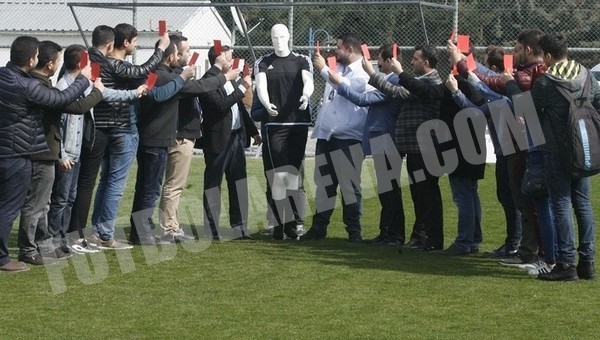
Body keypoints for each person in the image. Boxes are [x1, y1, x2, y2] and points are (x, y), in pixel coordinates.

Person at [68, 24, 182, 249]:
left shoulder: (99, 61)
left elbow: (140, 75)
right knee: (115, 184)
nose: (137, 44)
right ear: (125, 43)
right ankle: (105, 234)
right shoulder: (114, 64)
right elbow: (141, 73)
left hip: (106, 130)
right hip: (122, 129)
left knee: (105, 182)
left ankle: (98, 231)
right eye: (136, 41)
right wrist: (161, 50)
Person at [0, 36, 90, 272]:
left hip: (13, 149)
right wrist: (84, 79)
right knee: (15, 207)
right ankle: (12, 255)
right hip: (19, 152)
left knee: (25, 205)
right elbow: (61, 100)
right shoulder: (27, 85)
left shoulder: (4, 76)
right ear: (32, 60)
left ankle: (35, 247)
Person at [129, 40, 231, 245]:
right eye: (182, 52)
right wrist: (223, 74)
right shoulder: (168, 78)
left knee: (152, 186)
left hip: (159, 137)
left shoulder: (162, 76)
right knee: (158, 187)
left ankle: (149, 229)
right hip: (162, 137)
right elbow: (200, 87)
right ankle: (160, 229)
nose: (186, 55)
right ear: (170, 56)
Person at [47, 44, 146, 255]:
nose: (93, 66)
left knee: (70, 197)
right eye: (90, 63)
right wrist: (62, 154)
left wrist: (132, 93)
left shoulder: (82, 84)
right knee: (61, 199)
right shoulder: (65, 86)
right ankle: (54, 241)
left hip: (77, 151)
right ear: (81, 64)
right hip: (68, 154)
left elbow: (105, 94)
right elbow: (59, 125)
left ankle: (66, 239)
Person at [17, 41, 104, 265]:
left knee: (43, 204)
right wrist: (95, 90)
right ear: (49, 64)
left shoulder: (40, 84)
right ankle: (29, 249)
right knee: (37, 204)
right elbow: (72, 105)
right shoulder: (39, 88)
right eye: (57, 60)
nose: (59, 65)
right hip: (42, 152)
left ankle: (44, 245)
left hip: (46, 152)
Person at [531, 32, 597, 281]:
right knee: (583, 204)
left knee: (561, 204)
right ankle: (587, 263)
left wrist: (511, 85)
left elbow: (529, 111)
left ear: (547, 56)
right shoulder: (587, 75)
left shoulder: (546, 82)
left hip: (557, 150)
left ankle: (566, 263)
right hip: (584, 149)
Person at [367, 45, 444, 251]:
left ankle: (430, 239)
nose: (412, 62)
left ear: (426, 62)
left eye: (416, 59)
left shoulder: (431, 82)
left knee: (426, 194)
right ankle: (421, 237)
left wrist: (373, 73)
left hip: (424, 147)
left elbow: (397, 92)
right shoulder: (422, 82)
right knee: (419, 194)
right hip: (414, 146)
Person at [329, 43, 405, 246]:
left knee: (390, 190)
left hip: (387, 139)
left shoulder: (395, 81)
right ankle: (386, 232)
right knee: (386, 189)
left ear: (389, 61)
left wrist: (340, 85)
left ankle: (394, 234)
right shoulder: (390, 80)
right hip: (382, 139)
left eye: (379, 59)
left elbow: (362, 100)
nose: (376, 63)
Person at [301, 33, 371, 242]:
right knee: (324, 185)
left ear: (350, 49)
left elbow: (346, 87)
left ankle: (354, 231)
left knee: (349, 187)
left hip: (348, 139)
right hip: (327, 137)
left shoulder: (363, 72)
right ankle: (319, 227)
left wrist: (323, 68)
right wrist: (325, 68)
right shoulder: (338, 67)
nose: (335, 51)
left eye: (339, 48)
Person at [255, 24, 314, 240]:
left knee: (292, 174)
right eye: (273, 37)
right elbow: (260, 86)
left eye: (281, 36)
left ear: (289, 36)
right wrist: (266, 102)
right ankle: (279, 223)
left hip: (297, 125)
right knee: (278, 175)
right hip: (275, 126)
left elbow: (309, 80)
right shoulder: (263, 62)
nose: (277, 40)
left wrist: (306, 96)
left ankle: (291, 223)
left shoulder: (301, 60)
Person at [199, 45, 261, 240]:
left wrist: (253, 131)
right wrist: (243, 87)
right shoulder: (208, 80)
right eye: (228, 56)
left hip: (236, 138)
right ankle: (211, 228)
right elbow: (220, 105)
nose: (232, 60)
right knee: (213, 184)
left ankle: (240, 226)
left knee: (238, 183)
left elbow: (240, 110)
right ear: (219, 57)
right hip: (217, 139)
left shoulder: (230, 78)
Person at [158, 34, 201, 238]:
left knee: (175, 184)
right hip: (179, 136)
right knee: (174, 184)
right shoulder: (175, 78)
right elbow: (202, 88)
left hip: (183, 134)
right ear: (175, 54)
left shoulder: (179, 76)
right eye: (186, 51)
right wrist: (222, 74)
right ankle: (168, 227)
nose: (190, 54)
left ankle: (171, 224)